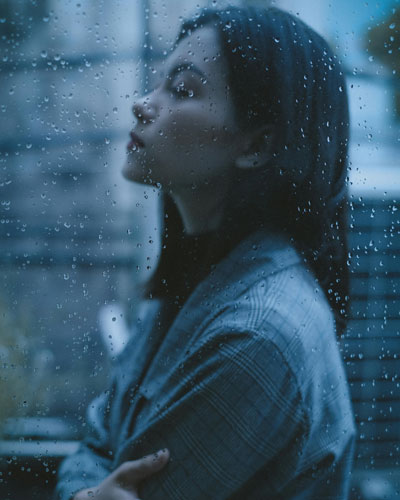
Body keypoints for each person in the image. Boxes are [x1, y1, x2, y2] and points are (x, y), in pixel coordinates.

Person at [55, 6, 356, 499]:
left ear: (256, 144)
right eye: (156, 84)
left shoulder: (257, 335)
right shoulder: (201, 279)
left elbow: (122, 478)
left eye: (183, 90)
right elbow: (94, 446)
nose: (141, 104)